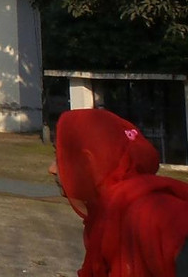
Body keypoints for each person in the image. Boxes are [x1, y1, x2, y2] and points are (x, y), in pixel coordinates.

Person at [50, 108, 188, 277]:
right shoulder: (105, 218)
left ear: (88, 162)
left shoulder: (151, 214)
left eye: (60, 158)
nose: (52, 169)